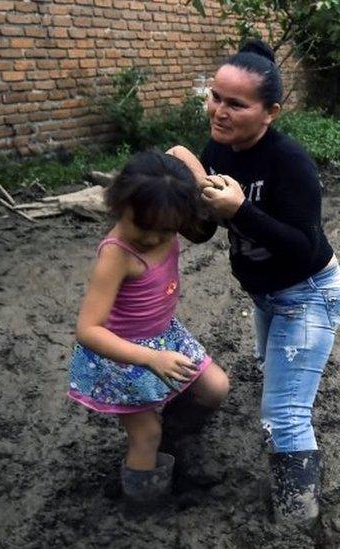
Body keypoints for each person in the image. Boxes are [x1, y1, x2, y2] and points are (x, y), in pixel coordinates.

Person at [167, 39, 340, 524]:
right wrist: (186, 202)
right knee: (270, 370)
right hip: (266, 295)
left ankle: (297, 519)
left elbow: (305, 248)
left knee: (285, 416)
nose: (219, 111)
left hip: (309, 293)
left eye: (236, 104)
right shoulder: (216, 149)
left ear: (270, 112)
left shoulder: (290, 163)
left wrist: (242, 210)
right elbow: (205, 231)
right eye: (215, 97)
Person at [67, 151, 231, 508]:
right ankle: (142, 507)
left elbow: (180, 154)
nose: (155, 240)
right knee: (145, 435)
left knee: (215, 388)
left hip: (164, 336)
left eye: (166, 232)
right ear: (118, 207)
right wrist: (150, 358)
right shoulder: (117, 254)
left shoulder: (167, 214)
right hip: (124, 354)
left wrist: (198, 181)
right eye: (143, 231)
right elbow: (88, 329)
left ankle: (175, 441)